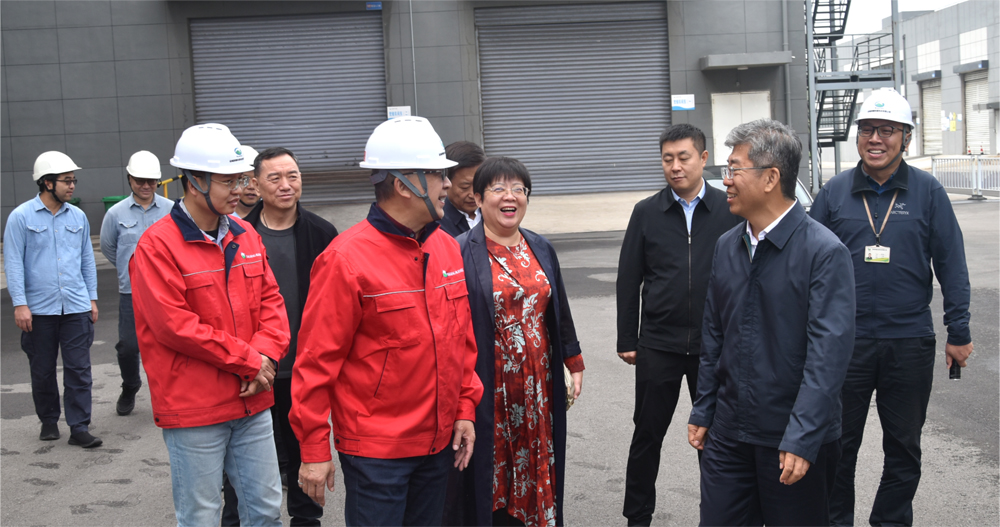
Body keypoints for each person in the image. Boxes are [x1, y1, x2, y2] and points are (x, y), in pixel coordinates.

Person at [291, 116, 484, 527]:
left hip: (438, 445)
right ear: (403, 184)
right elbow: (315, 363)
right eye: (437, 174)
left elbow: (461, 340)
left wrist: (465, 407)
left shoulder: (446, 249)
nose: (447, 184)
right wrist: (314, 449)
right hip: (377, 454)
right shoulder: (344, 260)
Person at [810, 88, 974, 527]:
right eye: (867, 130)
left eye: (887, 130)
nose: (875, 139)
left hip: (908, 340)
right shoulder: (834, 193)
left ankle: (890, 521)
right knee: (836, 446)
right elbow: (805, 265)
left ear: (906, 137)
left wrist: (958, 332)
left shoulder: (928, 192)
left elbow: (952, 265)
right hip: (844, 343)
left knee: (903, 448)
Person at [687, 119, 856, 526]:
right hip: (729, 433)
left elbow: (827, 358)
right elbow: (714, 335)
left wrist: (803, 437)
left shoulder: (824, 252)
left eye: (735, 169)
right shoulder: (728, 245)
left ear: (770, 178)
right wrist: (704, 408)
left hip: (791, 441)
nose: (726, 180)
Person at [129, 123, 289, 526]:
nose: (239, 189)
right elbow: (174, 325)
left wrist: (266, 357)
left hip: (253, 399)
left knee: (265, 511)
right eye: (228, 181)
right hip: (195, 408)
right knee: (201, 516)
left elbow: (272, 302)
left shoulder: (246, 234)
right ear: (194, 181)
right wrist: (250, 361)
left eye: (241, 179)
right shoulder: (157, 246)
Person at [449, 156, 585, 527]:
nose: (510, 196)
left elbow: (558, 309)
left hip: (538, 388)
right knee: (490, 472)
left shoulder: (540, 247)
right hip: (489, 389)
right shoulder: (459, 251)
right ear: (479, 198)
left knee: (537, 460)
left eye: (518, 189)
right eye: (498, 188)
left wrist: (573, 361)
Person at [617, 124, 740, 526]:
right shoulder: (647, 212)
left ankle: (720, 517)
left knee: (715, 439)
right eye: (667, 159)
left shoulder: (728, 208)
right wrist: (627, 337)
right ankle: (637, 517)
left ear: (703, 158)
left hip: (714, 347)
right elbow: (629, 277)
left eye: (683, 157)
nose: (675, 166)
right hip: (659, 344)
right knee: (647, 435)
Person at [240, 146, 338, 525]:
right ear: (255, 184)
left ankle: (306, 520)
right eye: (275, 178)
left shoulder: (322, 233)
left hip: (305, 371)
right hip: (255, 370)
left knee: (305, 458)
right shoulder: (239, 235)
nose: (286, 185)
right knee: (251, 468)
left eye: (292, 176)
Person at [3, 151, 101, 448]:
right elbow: (13, 263)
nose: (72, 186)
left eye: (73, 180)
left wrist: (92, 298)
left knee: (79, 370)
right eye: (66, 181)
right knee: (42, 370)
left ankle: (79, 426)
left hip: (76, 306)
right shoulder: (21, 217)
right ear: (47, 183)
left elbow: (87, 260)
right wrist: (20, 304)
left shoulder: (78, 217)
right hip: (38, 310)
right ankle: (48, 420)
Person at [100, 150, 174, 417]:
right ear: (129, 179)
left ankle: (168, 394)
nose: (146, 186)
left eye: (151, 181)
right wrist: (130, 270)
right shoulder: (115, 213)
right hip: (131, 293)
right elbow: (109, 247)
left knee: (169, 344)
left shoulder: (172, 210)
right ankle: (130, 385)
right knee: (128, 346)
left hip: (166, 293)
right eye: (140, 180)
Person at [440, 141, 486, 237]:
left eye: (479, 184)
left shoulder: (495, 213)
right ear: (446, 182)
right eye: (465, 187)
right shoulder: (437, 223)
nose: (473, 195)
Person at [235, 145, 261, 218]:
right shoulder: (220, 218)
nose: (251, 187)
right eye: (244, 179)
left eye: (256, 180)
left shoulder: (272, 217)